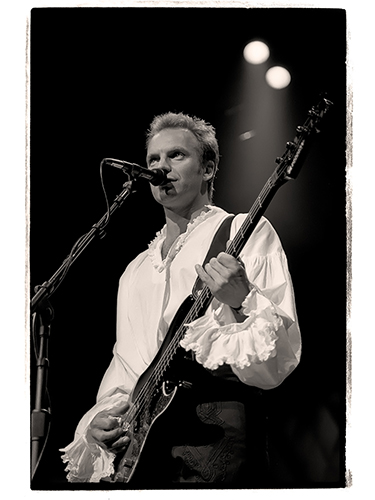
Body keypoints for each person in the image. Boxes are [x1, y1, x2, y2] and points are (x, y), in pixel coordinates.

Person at [60, 112, 301, 487]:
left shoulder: (241, 231)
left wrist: (243, 301)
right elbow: (127, 364)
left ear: (208, 169)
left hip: (215, 431)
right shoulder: (136, 269)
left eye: (176, 156)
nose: (160, 167)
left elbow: (276, 362)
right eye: (153, 159)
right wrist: (100, 421)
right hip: (144, 446)